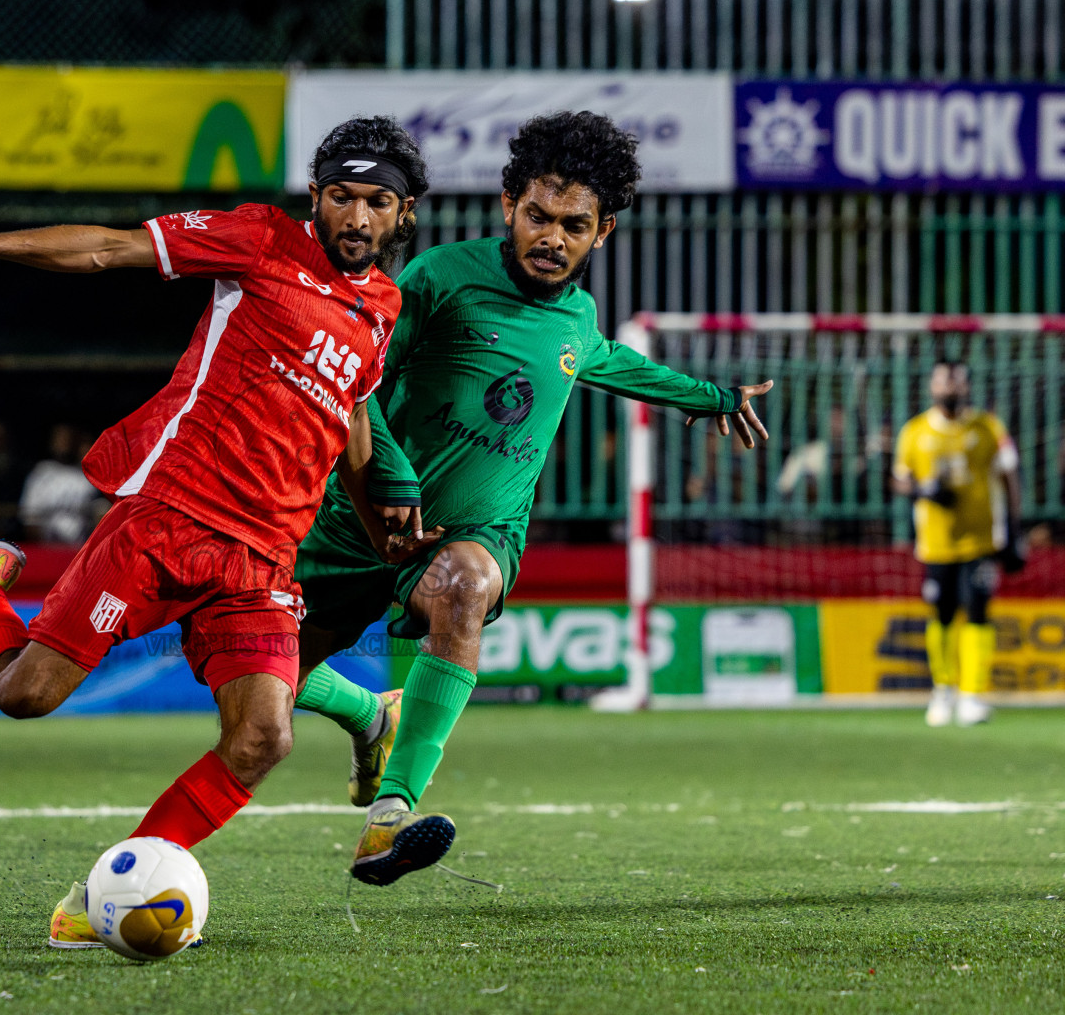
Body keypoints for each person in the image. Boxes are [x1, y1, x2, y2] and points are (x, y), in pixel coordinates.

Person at [0, 116, 428, 948]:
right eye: (342, 197)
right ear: (317, 199)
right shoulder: (258, 241)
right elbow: (108, 249)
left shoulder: (382, 311)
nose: (358, 218)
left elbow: (350, 425)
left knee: (262, 738)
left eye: (378, 202)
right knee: (22, 695)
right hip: (169, 519)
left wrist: (377, 529)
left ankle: (114, 888)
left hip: (262, 558)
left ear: (405, 215)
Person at [288, 111, 775, 885]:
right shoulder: (441, 278)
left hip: (477, 529)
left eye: (573, 225)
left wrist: (709, 396)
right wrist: (388, 475)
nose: (552, 237)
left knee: (465, 586)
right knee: (252, 677)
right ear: (508, 205)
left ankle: (391, 815)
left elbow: (608, 360)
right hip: (361, 520)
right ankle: (368, 712)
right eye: (539, 217)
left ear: (602, 231)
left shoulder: (576, 316)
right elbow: (358, 373)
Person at [893, 361, 1024, 728]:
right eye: (942, 380)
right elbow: (900, 479)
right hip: (935, 540)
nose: (949, 387)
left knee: (979, 611)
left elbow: (1010, 474)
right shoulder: (915, 431)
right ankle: (943, 689)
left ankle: (972, 695)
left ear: (966, 386)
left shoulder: (988, 427)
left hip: (981, 539)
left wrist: (1015, 528)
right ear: (932, 386)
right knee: (943, 613)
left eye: (955, 380)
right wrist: (922, 490)